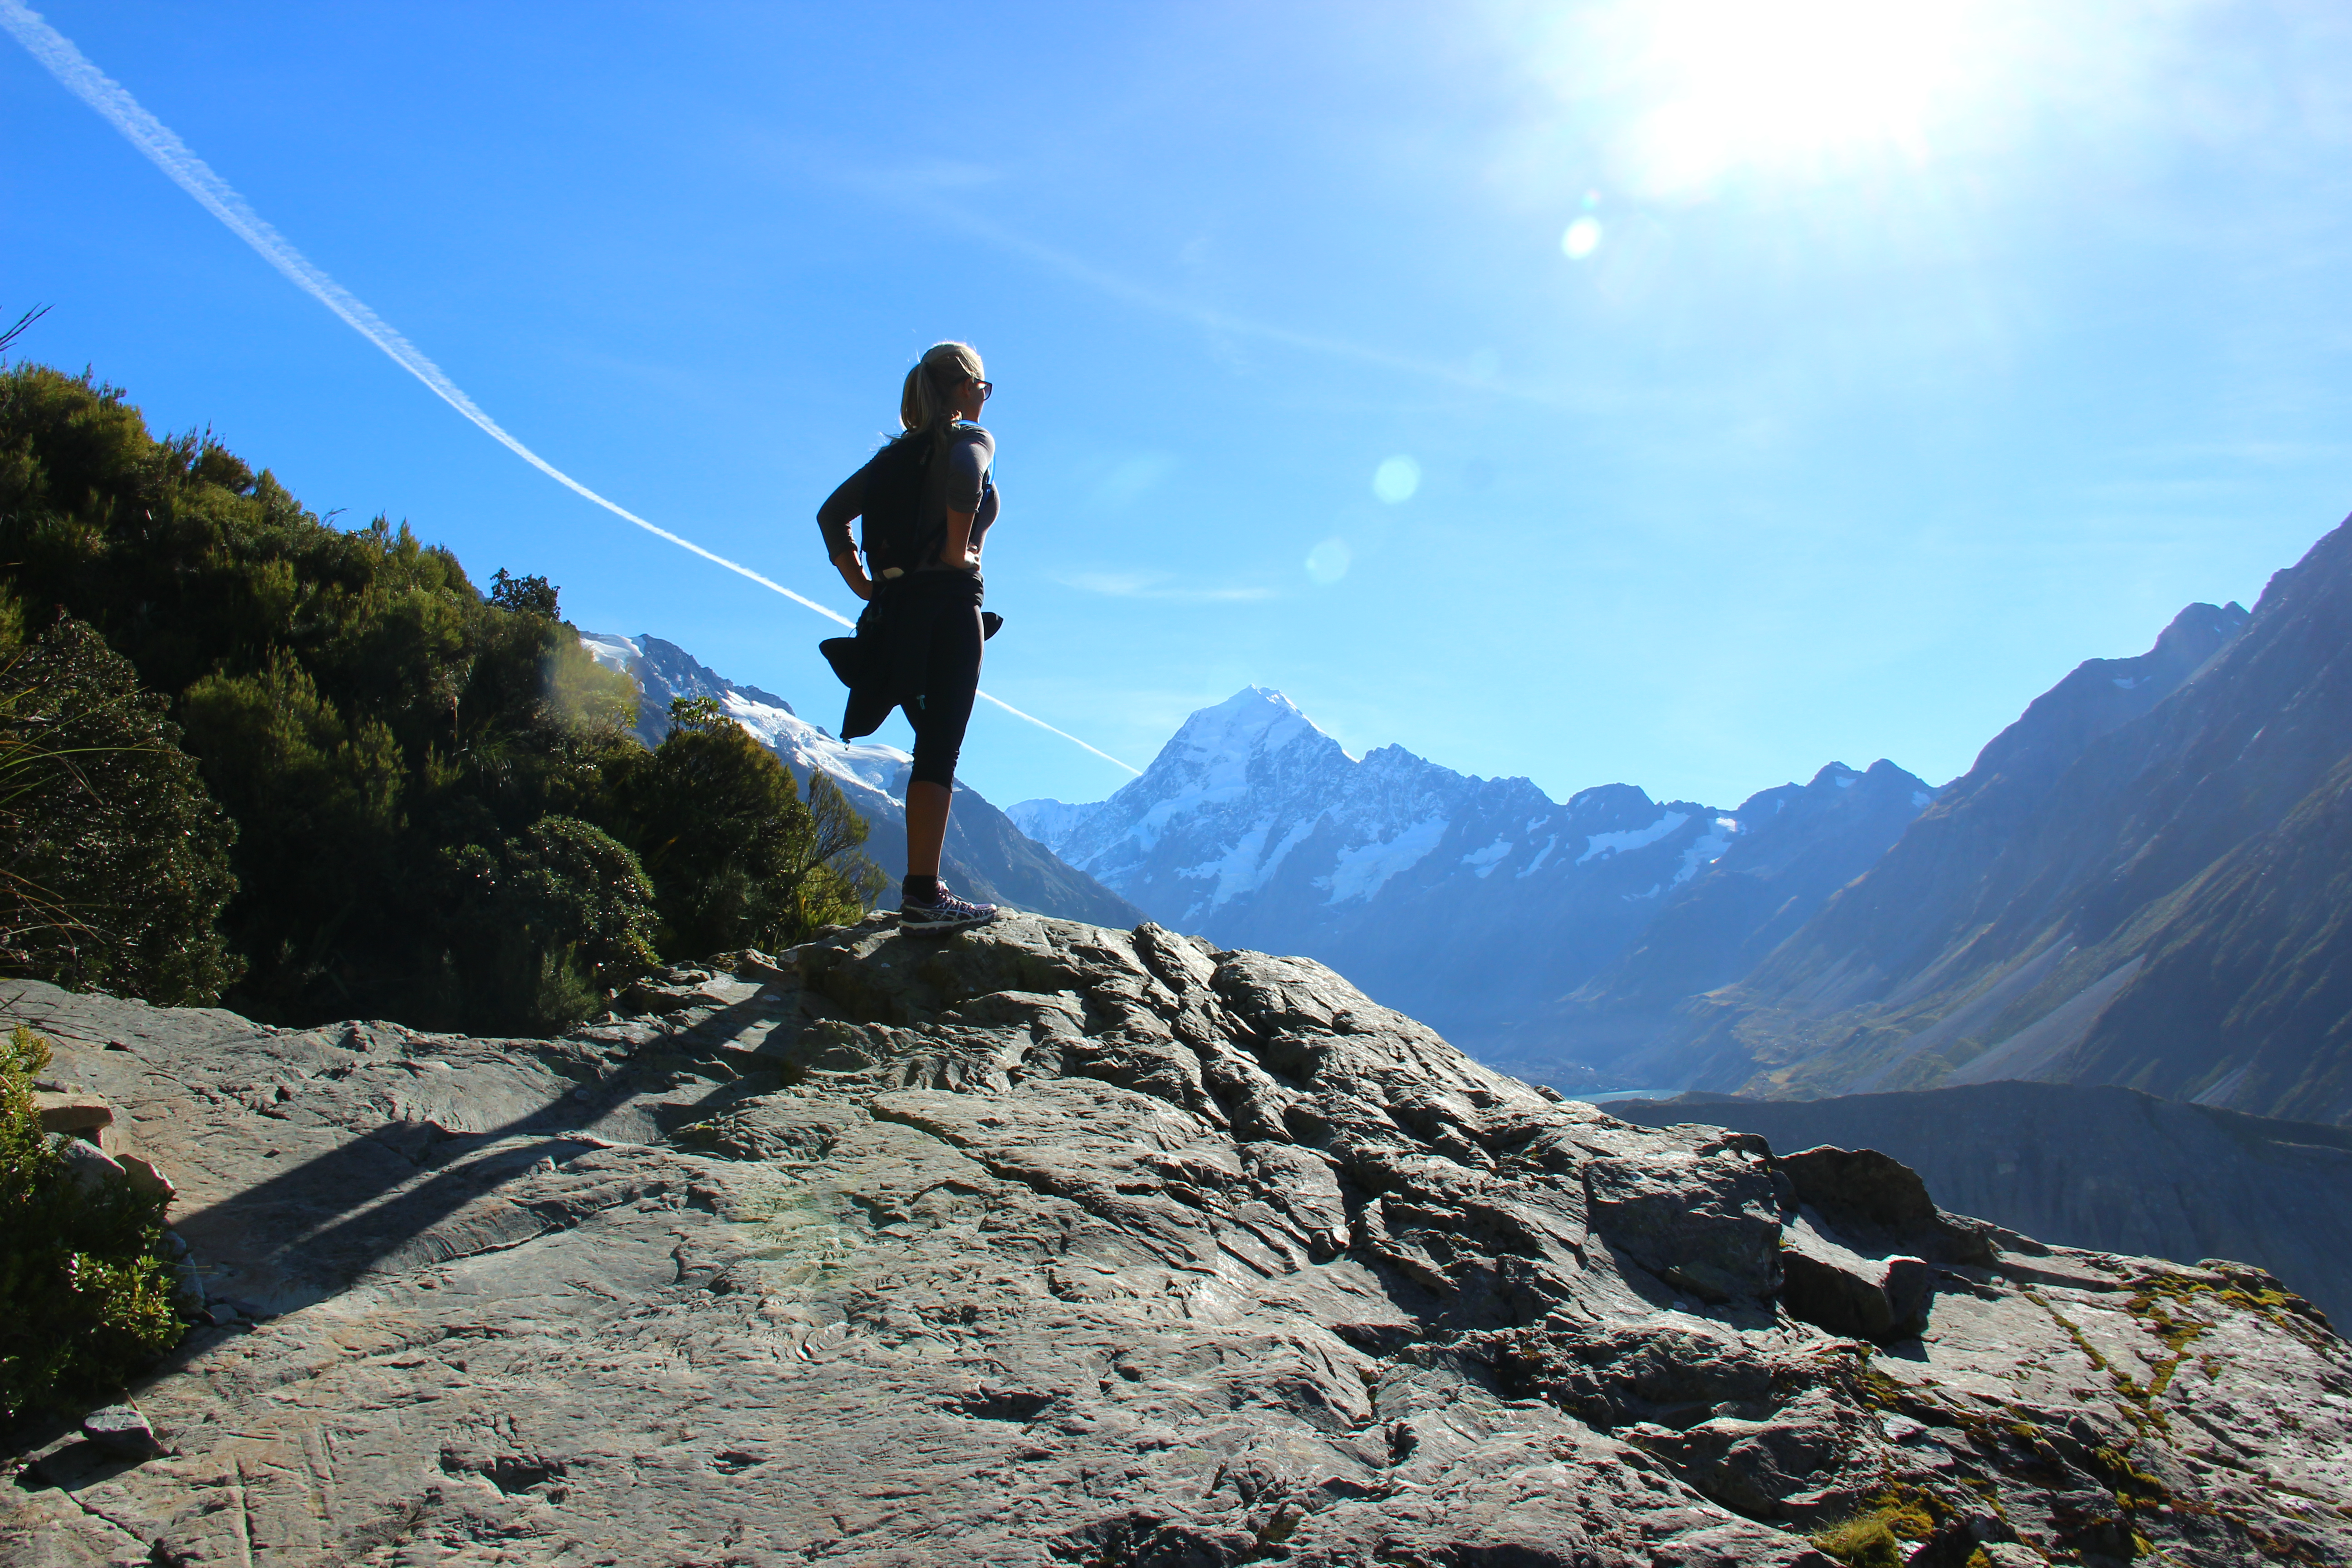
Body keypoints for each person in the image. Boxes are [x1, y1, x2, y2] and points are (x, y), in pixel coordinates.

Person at [816, 341, 1001, 934]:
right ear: (962, 388)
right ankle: (924, 894)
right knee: (940, 747)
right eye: (983, 386)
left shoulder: (891, 459)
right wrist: (958, 550)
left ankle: (923, 890)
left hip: (896, 615)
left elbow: (830, 515)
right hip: (949, 606)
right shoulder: (970, 439)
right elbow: (968, 484)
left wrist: (863, 584)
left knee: (931, 741)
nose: (986, 397)